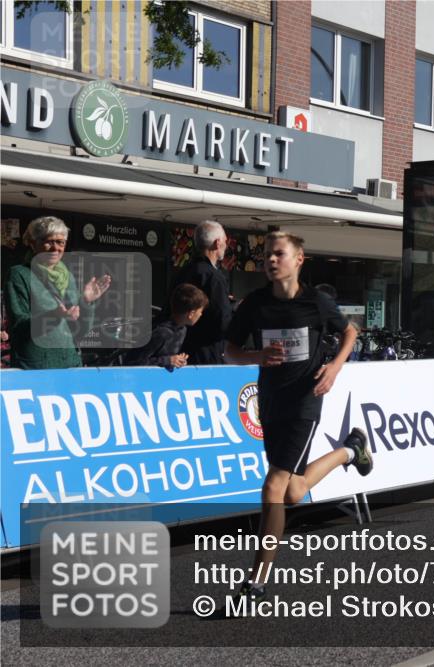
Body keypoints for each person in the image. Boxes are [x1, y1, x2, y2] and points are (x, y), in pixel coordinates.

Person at [225, 232, 372, 600]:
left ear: (299, 258)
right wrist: (257, 357)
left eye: (279, 254)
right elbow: (229, 350)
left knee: (273, 486)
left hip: (305, 402)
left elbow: (351, 332)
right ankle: (351, 450)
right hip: (271, 401)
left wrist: (336, 367)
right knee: (293, 491)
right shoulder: (255, 304)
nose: (271, 261)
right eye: (266, 257)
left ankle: (256, 582)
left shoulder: (317, 303)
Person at [4, 216, 112, 369]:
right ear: (33, 244)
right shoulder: (19, 275)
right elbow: (18, 327)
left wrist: (86, 302)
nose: (56, 248)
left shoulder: (67, 277)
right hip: (36, 368)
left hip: (69, 365)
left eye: (60, 242)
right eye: (48, 241)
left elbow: (80, 331)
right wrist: (53, 316)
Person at [172, 220, 233, 364]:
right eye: (225, 241)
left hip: (180, 350)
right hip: (207, 354)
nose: (226, 245)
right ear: (217, 243)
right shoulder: (214, 277)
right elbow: (222, 320)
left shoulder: (183, 271)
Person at [124, 283, 207, 369]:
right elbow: (133, 362)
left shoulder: (182, 329)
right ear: (191, 314)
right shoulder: (161, 333)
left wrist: (178, 360)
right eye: (200, 311)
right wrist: (168, 360)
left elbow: (165, 357)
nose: (201, 314)